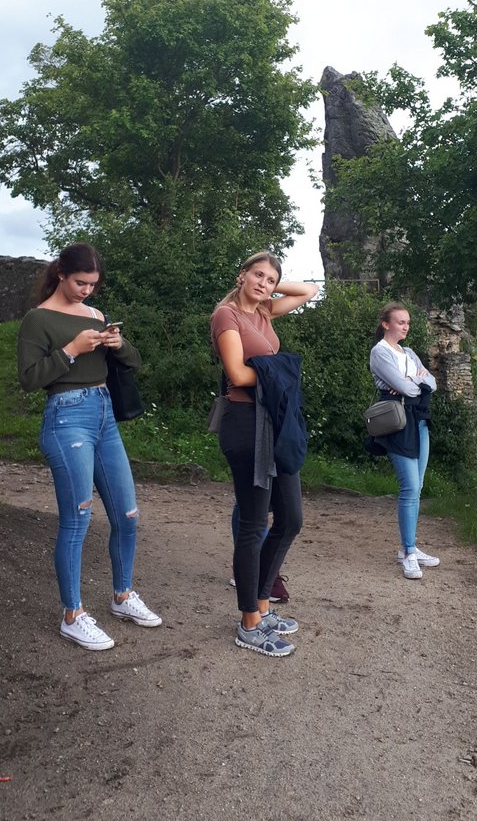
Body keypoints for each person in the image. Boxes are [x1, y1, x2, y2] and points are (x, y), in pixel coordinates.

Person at [17, 242, 161, 651]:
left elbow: (133, 362)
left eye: (93, 284)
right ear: (61, 273)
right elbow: (29, 379)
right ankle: (72, 615)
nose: (86, 290)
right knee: (77, 519)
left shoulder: (96, 315)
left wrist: (118, 345)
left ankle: (122, 596)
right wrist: (71, 350)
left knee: (128, 515)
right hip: (66, 417)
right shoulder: (38, 319)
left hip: (104, 414)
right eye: (81, 282)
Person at [211, 252, 318, 656]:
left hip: (274, 422)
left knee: (290, 518)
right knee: (254, 524)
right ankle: (249, 623)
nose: (263, 283)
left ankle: (262, 604)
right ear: (241, 274)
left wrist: (271, 288)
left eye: (270, 279)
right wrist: (280, 372)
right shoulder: (226, 315)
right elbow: (238, 374)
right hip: (245, 422)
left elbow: (309, 291)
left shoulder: (265, 312)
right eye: (257, 274)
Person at [369, 302, 440, 580]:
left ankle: (409, 547)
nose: (406, 327)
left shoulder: (408, 352)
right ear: (386, 324)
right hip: (398, 422)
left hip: (419, 420)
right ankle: (409, 552)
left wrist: (413, 380)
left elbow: (432, 383)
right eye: (400, 322)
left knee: (417, 487)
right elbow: (407, 388)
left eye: (408, 322)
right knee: (410, 487)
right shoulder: (380, 352)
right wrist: (415, 380)